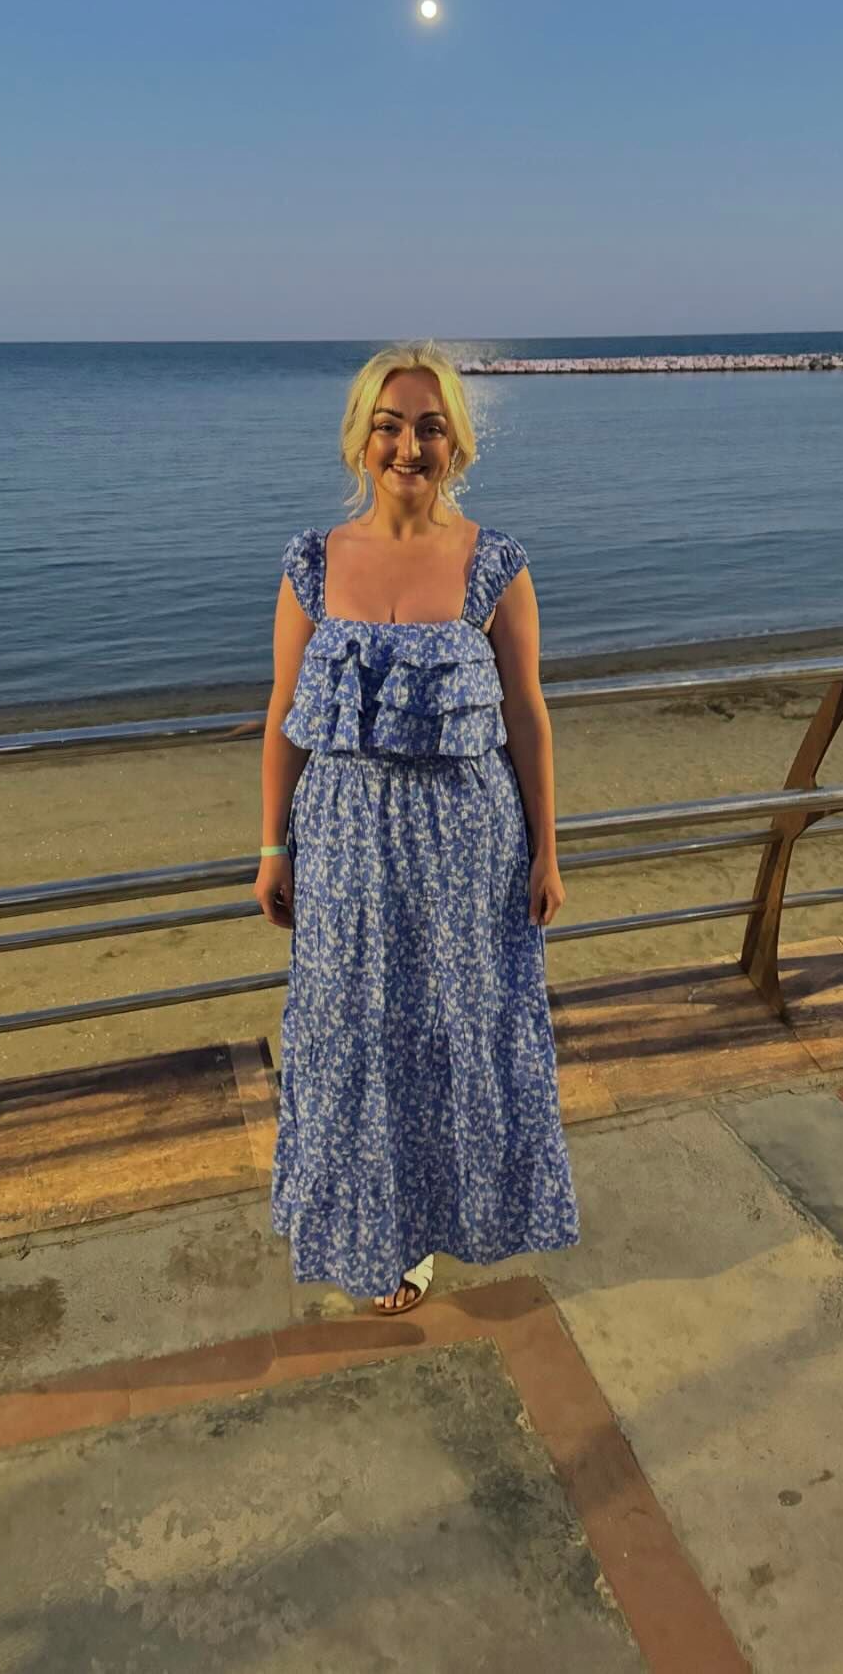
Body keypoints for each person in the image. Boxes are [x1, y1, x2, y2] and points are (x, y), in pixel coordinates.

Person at [256, 341, 580, 1315]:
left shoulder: (496, 563)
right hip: (344, 845)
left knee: (455, 1035)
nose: (409, 447)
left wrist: (548, 849)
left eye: (430, 428)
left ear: (456, 444)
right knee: (352, 1036)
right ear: (360, 440)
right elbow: (283, 716)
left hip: (470, 846)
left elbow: (528, 714)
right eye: (390, 426)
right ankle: (373, 1229)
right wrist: (272, 845)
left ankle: (436, 1225)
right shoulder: (312, 564)